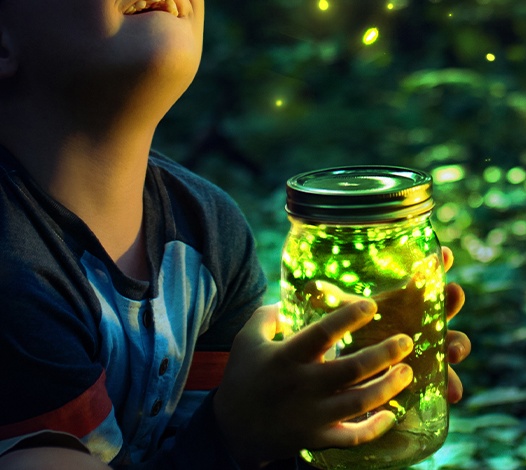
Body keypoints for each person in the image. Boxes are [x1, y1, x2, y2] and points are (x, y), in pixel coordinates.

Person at [0, 0, 471, 468]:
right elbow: (229, 438)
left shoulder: (211, 229)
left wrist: (330, 402)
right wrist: (237, 433)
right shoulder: (13, 268)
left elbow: (205, 440)